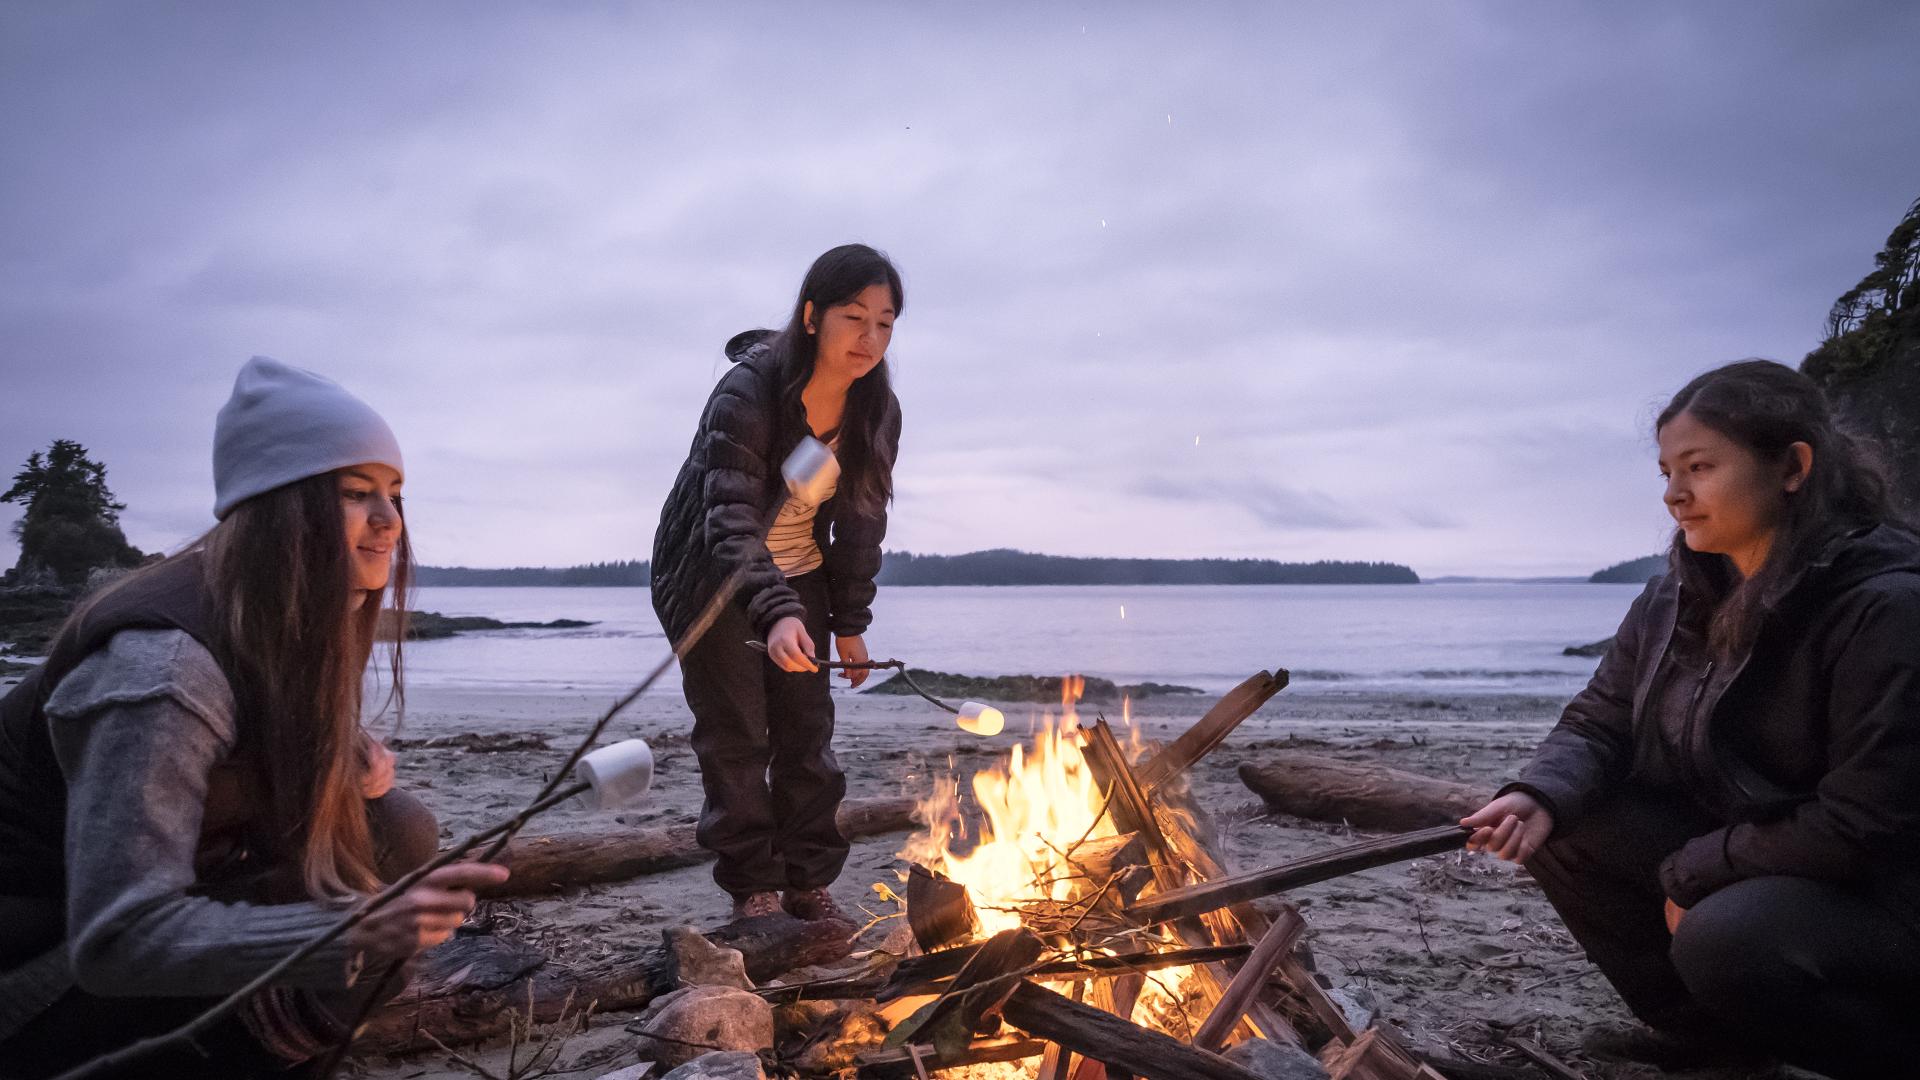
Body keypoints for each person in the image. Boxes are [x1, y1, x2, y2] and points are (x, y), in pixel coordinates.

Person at [0, 357, 508, 1078]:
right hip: (31, 982)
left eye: (395, 496)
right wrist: (345, 932)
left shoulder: (278, 617)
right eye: (358, 494)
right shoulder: (162, 672)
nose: (388, 522)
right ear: (282, 509)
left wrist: (325, 755)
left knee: (395, 829)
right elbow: (118, 939)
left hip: (90, 943)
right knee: (374, 890)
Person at [1462, 360, 1920, 1079]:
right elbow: (1600, 720)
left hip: (1881, 894)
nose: (1676, 495)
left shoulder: (1885, 607)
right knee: (1563, 823)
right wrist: (1536, 793)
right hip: (1763, 853)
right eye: (1667, 472)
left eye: (1700, 467)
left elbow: (1866, 826)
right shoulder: (1675, 594)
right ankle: (1713, 1043)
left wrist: (1692, 872)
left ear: (1793, 466)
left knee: (1725, 938)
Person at [652, 244, 904, 922]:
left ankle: (807, 881)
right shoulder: (749, 393)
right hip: (715, 575)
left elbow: (860, 523)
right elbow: (729, 521)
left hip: (803, 574)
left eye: (884, 322)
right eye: (855, 317)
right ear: (813, 315)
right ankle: (753, 890)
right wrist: (775, 612)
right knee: (736, 734)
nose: (870, 338)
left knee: (806, 733)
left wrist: (848, 622)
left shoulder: (876, 411)